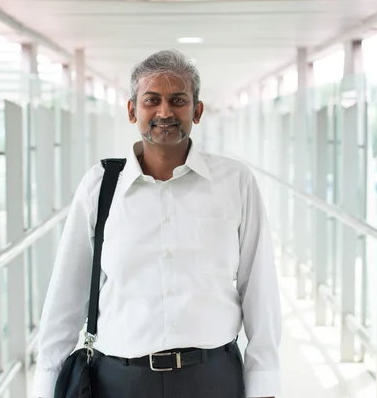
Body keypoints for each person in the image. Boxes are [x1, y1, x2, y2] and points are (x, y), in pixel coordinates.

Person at [33, 49, 281, 398]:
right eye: (152, 100)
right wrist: (46, 386)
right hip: (119, 381)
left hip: (213, 379)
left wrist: (264, 386)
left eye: (178, 100)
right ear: (133, 109)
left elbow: (260, 290)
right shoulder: (100, 186)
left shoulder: (235, 182)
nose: (165, 112)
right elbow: (65, 298)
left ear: (197, 110)